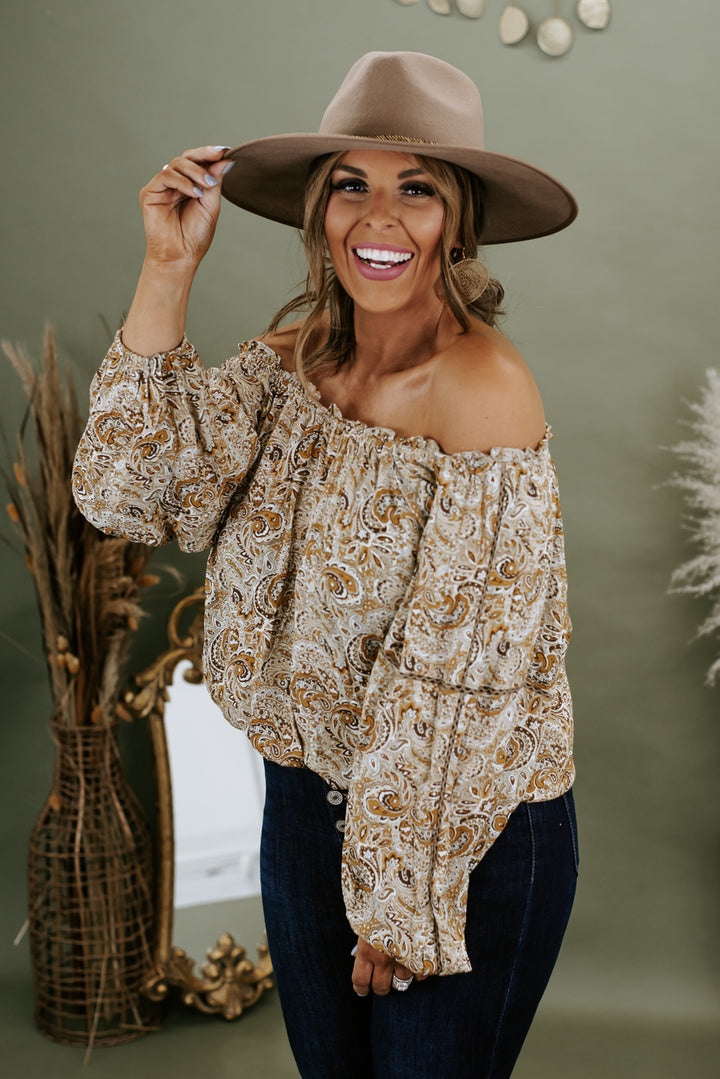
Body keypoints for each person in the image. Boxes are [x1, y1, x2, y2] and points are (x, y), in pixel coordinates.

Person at [73, 51, 578, 1079]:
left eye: (416, 189)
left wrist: (400, 894)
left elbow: (459, 684)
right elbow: (127, 494)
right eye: (352, 184)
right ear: (319, 211)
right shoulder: (292, 361)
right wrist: (168, 268)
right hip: (303, 809)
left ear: (459, 223)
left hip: (458, 827)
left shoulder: (484, 388)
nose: (378, 218)